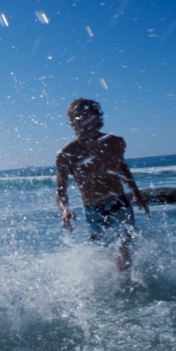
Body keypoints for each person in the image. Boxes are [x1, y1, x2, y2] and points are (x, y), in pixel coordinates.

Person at [55, 98, 149, 271]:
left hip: (119, 204)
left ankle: (129, 288)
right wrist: (64, 210)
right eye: (78, 116)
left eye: (87, 114)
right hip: (93, 211)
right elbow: (61, 189)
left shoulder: (115, 143)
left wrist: (136, 193)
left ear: (96, 117)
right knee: (103, 256)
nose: (83, 118)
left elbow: (121, 167)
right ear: (72, 122)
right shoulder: (67, 154)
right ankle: (112, 289)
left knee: (124, 249)